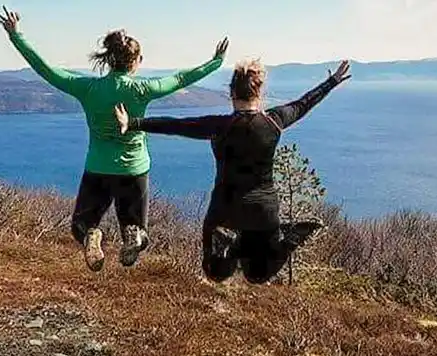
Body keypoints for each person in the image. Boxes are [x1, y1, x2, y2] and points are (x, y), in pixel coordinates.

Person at [0, 6, 229, 272]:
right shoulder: (143, 89)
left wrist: (17, 36)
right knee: (136, 228)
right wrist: (216, 62)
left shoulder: (87, 88)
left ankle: (91, 234)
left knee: (81, 226)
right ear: (136, 61)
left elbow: (47, 70)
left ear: (109, 59)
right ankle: (135, 235)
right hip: (134, 169)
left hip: (97, 167)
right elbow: (180, 78)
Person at [114, 59, 351, 284]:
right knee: (258, 275)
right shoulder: (274, 121)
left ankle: (228, 242)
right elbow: (302, 104)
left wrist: (133, 123)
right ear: (259, 93)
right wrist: (332, 82)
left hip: (224, 210)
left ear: (231, 93)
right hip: (262, 213)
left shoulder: (220, 126)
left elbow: (176, 125)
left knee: (216, 273)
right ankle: (289, 239)